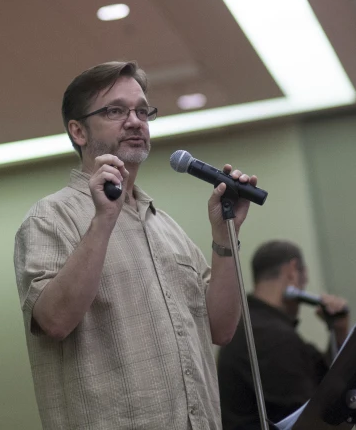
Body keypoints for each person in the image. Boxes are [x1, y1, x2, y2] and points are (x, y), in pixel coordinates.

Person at [14, 61, 259, 430]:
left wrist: (225, 237)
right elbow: (54, 320)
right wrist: (103, 221)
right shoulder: (49, 219)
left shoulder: (165, 227)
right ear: (78, 131)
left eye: (142, 111)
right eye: (115, 110)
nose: (135, 121)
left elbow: (221, 329)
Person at [217, 240, 350, 430]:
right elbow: (316, 417)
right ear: (292, 271)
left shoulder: (248, 327)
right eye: (304, 281)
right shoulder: (274, 338)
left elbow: (320, 377)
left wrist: (339, 332)